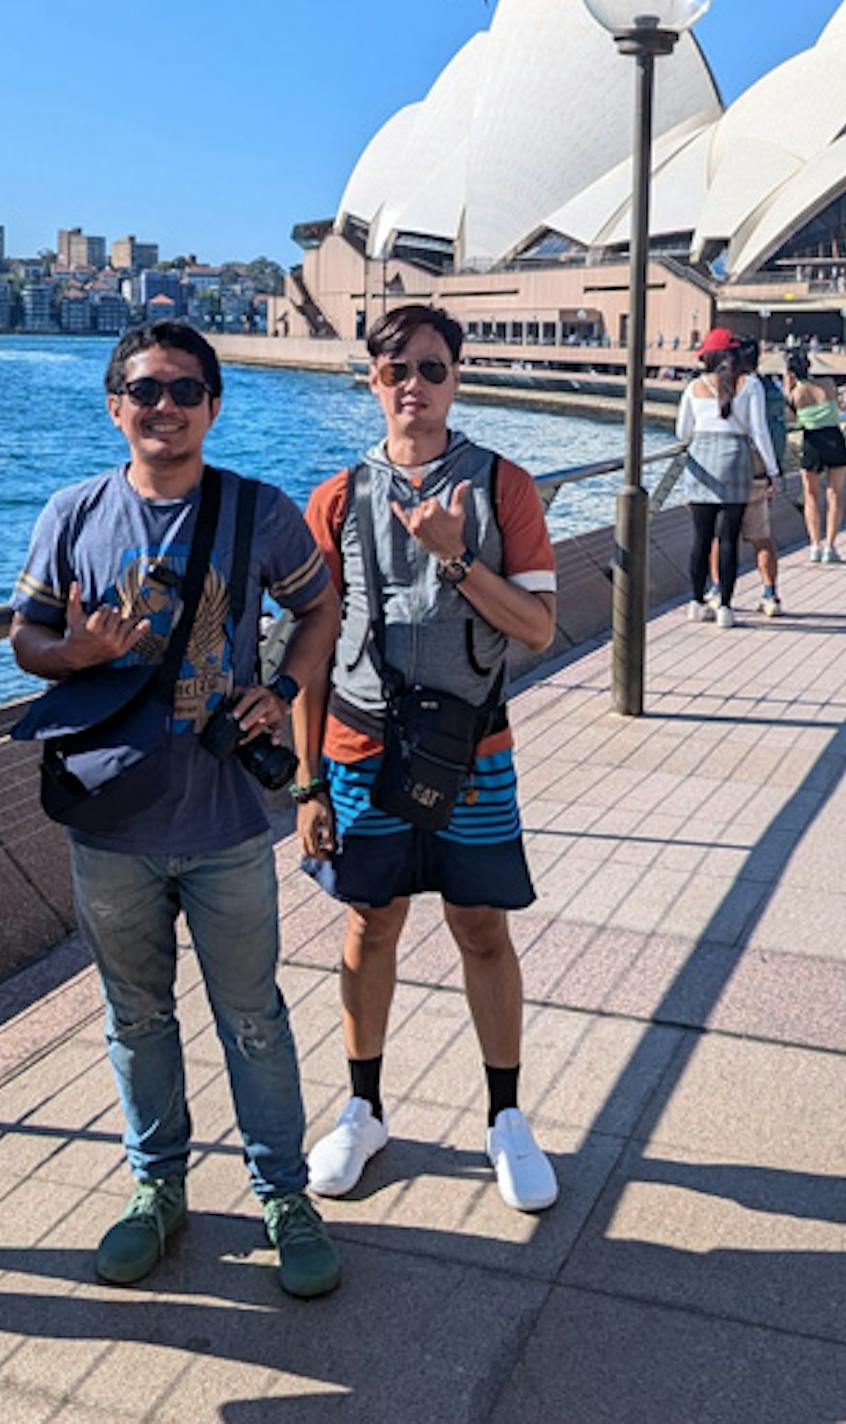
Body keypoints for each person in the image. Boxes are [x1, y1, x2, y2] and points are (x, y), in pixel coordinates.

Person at [9, 322, 345, 1298]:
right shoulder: (73, 513)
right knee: (137, 1018)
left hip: (226, 822)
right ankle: (157, 1190)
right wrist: (71, 655)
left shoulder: (260, 511)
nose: (165, 407)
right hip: (109, 820)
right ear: (115, 404)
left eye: (186, 390)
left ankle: (285, 1195)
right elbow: (27, 637)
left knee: (253, 1018)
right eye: (145, 390)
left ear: (213, 405)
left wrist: (281, 690)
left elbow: (319, 606)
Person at [294, 305, 561, 1213]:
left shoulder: (504, 487)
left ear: (458, 378)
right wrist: (306, 783)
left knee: (482, 926)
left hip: (471, 750)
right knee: (370, 924)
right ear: (372, 379)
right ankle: (364, 1108)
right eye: (396, 368)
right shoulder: (333, 499)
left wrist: (455, 562)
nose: (415, 384)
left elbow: (537, 627)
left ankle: (506, 1116)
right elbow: (312, 652)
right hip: (359, 749)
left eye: (434, 369)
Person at [676, 329, 779, 626]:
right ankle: (725, 608)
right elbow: (759, 432)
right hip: (736, 461)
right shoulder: (750, 385)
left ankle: (696, 603)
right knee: (729, 538)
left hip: (700, 463)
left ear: (708, 356)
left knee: (701, 538)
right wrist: (772, 471)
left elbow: (682, 432)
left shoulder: (693, 387)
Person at [735, 338, 787, 617]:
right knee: (762, 538)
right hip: (760, 471)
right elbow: (768, 434)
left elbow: (757, 430)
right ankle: (770, 594)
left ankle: (718, 591)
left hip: (730, 471)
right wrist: (774, 471)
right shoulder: (771, 387)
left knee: (722, 538)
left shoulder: (735, 386)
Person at [786, 350, 846, 563]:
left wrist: (789, 385)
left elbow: (791, 418)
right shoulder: (828, 384)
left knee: (811, 495)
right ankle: (830, 547)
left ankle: (815, 545)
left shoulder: (796, 393)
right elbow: (837, 405)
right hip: (833, 436)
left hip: (812, 440)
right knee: (836, 494)